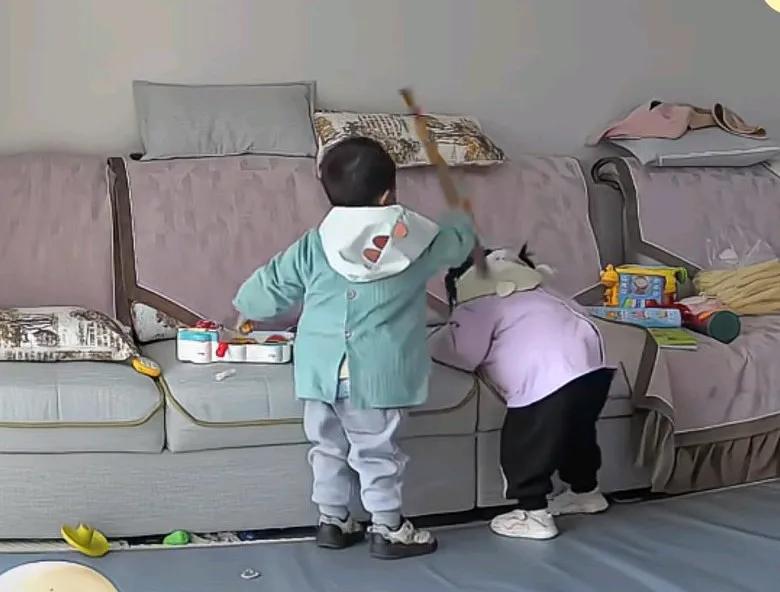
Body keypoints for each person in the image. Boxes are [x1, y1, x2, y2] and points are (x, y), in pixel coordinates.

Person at [233, 137, 476, 559]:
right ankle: (388, 528)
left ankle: (332, 520)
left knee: (327, 447)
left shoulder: (316, 242)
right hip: (377, 373)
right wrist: (459, 217)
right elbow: (460, 245)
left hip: (320, 371)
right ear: (387, 194)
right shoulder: (418, 239)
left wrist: (246, 310)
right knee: (376, 452)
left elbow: (267, 289)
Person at [430, 247, 614, 540]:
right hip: (594, 370)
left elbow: (463, 353)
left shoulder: (479, 303)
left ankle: (534, 514)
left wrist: (435, 341)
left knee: (526, 446)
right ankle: (586, 492)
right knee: (576, 435)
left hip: (545, 380)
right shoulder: (545, 293)